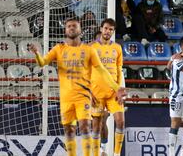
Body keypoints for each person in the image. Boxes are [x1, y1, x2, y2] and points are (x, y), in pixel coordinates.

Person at [29, 18, 125, 156]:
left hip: (84, 96)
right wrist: (37, 53)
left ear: (80, 30)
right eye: (69, 26)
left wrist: (117, 88)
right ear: (65, 29)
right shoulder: (59, 49)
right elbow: (42, 63)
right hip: (68, 97)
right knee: (70, 130)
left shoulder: (89, 50)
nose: (72, 28)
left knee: (86, 127)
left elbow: (103, 71)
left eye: (75, 26)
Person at [90, 18, 125, 156]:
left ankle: (116, 154)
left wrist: (120, 90)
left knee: (120, 121)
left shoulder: (117, 48)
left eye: (111, 29)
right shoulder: (92, 47)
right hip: (96, 92)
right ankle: (99, 152)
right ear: (101, 29)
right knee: (96, 124)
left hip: (113, 93)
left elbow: (119, 69)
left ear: (113, 31)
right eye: (106, 28)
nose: (108, 31)